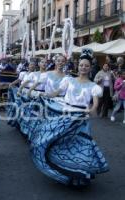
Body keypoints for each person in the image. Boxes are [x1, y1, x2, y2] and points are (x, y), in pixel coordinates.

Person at [33, 49, 108, 185]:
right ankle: (63, 171)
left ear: (90, 68)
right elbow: (56, 93)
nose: (83, 68)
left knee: (79, 147)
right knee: (61, 143)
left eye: (86, 65)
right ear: (77, 66)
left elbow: (95, 102)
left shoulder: (93, 86)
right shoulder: (68, 80)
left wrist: (91, 110)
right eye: (81, 65)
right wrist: (42, 95)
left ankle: (79, 176)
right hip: (65, 116)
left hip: (80, 119)